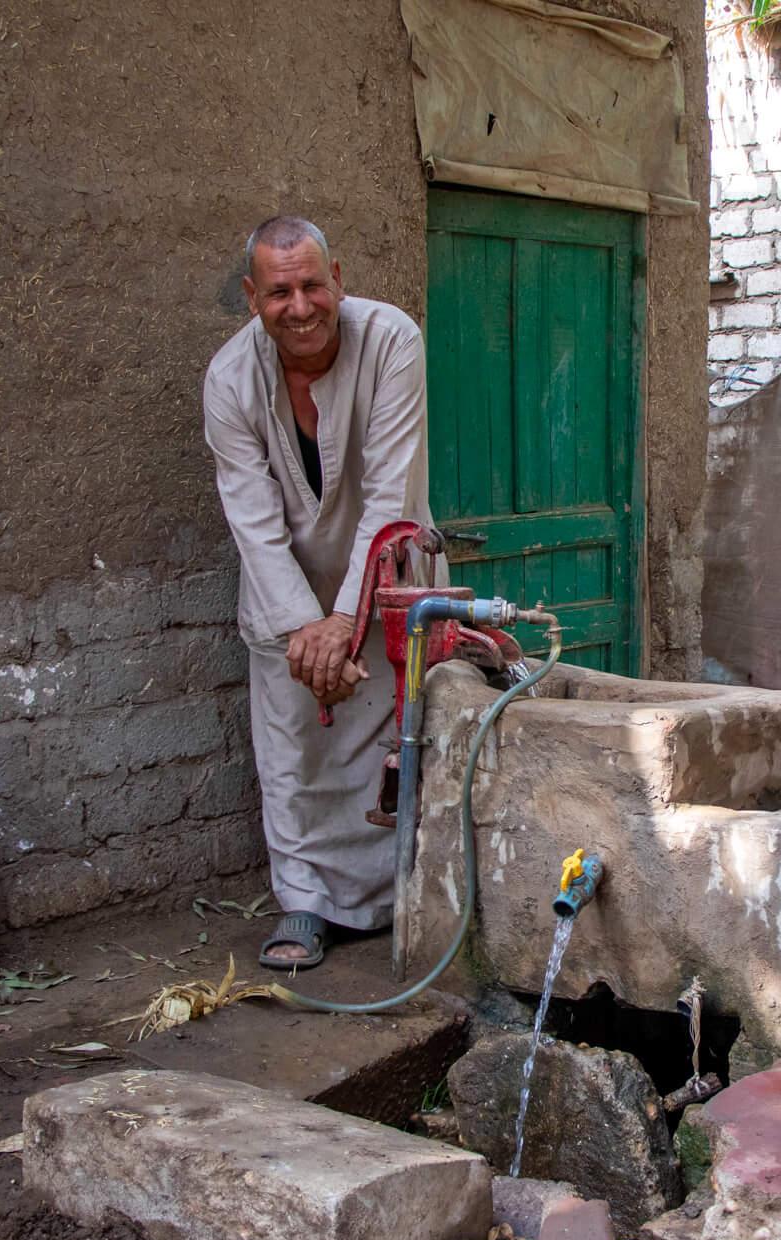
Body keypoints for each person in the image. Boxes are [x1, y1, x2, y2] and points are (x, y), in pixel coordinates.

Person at [202, 215, 434, 970]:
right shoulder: (230, 380)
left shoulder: (392, 339)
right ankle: (303, 903)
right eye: (278, 291)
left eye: (311, 285)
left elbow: (390, 490)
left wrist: (347, 615)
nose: (299, 306)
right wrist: (310, 625)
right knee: (294, 747)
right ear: (251, 297)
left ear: (338, 278)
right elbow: (252, 517)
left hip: (385, 569)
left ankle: (399, 897)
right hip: (284, 593)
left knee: (392, 744)